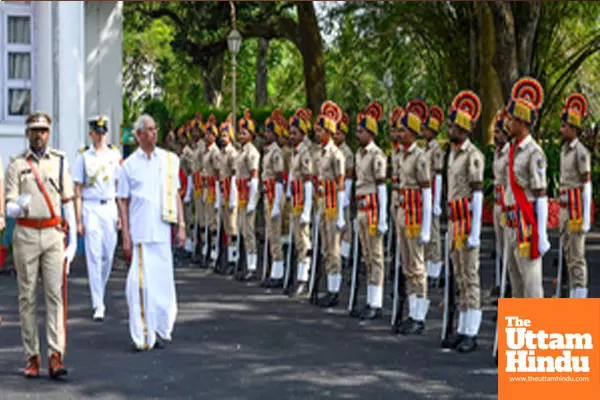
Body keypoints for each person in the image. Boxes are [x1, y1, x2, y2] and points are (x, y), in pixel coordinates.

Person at [4, 111, 77, 378]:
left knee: (54, 295)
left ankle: (55, 355)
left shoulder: (59, 162)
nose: (39, 135)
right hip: (25, 233)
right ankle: (32, 356)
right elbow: (9, 204)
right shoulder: (16, 164)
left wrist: (73, 242)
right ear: (27, 133)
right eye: (34, 130)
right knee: (27, 298)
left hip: (52, 233)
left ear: (49, 133)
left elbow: (67, 200)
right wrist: (17, 205)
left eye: (43, 130)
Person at [117, 114, 185, 351]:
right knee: (139, 285)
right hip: (141, 231)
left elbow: (175, 193)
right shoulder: (128, 166)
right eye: (148, 130)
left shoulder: (168, 160)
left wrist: (182, 225)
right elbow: (123, 201)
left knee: (162, 285)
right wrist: (125, 233)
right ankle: (143, 335)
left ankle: (159, 329)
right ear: (138, 135)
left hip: (162, 229)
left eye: (155, 129)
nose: (153, 133)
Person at [443, 91, 485, 352]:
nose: (448, 129)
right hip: (455, 223)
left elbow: (478, 194)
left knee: (470, 277)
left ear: (463, 128)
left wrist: (476, 232)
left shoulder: (473, 156)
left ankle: (472, 330)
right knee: (459, 276)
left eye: (452, 126)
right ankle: (462, 327)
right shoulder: (453, 153)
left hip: (468, 222)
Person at [503, 77, 549, 298]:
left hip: (527, 226)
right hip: (511, 224)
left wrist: (541, 235)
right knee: (516, 284)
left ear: (521, 122)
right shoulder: (511, 150)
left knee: (531, 287)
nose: (507, 123)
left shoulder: (534, 153)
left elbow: (540, 195)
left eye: (511, 119)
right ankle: (519, 332)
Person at [73, 115, 122, 322]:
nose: (100, 137)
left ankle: (99, 292)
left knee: (108, 255)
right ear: (91, 134)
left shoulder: (114, 155)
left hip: (109, 205)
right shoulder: (83, 157)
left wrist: (121, 214)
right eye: (97, 133)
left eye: (103, 133)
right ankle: (98, 303)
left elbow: (120, 186)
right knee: (93, 255)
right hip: (91, 206)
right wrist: (78, 220)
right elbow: (77, 189)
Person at [395, 100, 432, 334]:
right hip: (403, 212)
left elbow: (426, 191)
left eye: (403, 130)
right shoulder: (401, 154)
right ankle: (411, 311)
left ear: (413, 132)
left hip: (416, 214)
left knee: (417, 265)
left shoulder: (420, 157)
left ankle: (420, 315)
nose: (399, 134)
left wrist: (426, 227)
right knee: (407, 264)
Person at [352, 101, 387, 321]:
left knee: (376, 257)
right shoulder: (359, 154)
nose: (358, 134)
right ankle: (370, 298)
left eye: (361, 131)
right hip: (362, 208)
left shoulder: (377, 155)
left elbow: (382, 187)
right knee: (366, 256)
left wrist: (382, 218)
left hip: (374, 209)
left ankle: (377, 301)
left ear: (371, 133)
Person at [559, 93, 592, 298]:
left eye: (564, 126)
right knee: (568, 255)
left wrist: (586, 217)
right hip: (564, 207)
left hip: (576, 209)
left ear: (573, 128)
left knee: (577, 256)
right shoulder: (564, 149)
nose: (561, 130)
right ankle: (573, 293)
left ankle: (580, 298)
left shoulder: (581, 152)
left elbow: (586, 184)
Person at [314, 101, 346, 308]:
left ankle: (335, 291)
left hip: (334, 206)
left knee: (334, 250)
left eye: (320, 129)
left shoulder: (337, 155)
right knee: (326, 249)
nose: (316, 132)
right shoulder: (320, 153)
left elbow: (341, 184)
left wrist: (342, 215)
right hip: (323, 205)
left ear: (329, 131)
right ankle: (329, 286)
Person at [287, 109, 314, 296]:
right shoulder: (294, 152)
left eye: (294, 132)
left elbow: (308, 182)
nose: (290, 135)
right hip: (294, 200)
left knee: (303, 241)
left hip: (302, 201)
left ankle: (304, 279)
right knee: (297, 240)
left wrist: (307, 209)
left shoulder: (305, 153)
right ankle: (298, 276)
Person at [260, 110, 287, 288]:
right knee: (270, 234)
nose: (266, 134)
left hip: (273, 195)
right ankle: (274, 270)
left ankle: (278, 273)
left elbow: (279, 178)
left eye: (269, 132)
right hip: (267, 195)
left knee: (275, 236)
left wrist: (277, 202)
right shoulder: (269, 151)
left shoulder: (276, 152)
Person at [235, 109, 261, 281]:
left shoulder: (252, 152)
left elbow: (254, 176)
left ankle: (252, 267)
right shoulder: (242, 150)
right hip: (241, 193)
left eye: (244, 133)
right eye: (240, 132)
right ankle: (244, 264)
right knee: (243, 229)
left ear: (251, 135)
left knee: (249, 231)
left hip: (248, 192)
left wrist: (252, 200)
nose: (241, 135)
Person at [422, 106, 445, 285]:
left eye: (426, 129)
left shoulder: (436, 149)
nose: (424, 131)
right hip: (424, 194)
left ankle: (435, 271)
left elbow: (438, 175)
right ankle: (428, 268)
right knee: (426, 233)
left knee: (434, 234)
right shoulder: (425, 148)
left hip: (432, 193)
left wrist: (436, 201)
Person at [492, 110, 511, 298]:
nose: (495, 135)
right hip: (497, 202)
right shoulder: (497, 154)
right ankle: (500, 282)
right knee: (499, 245)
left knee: (508, 247)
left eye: (498, 132)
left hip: (507, 203)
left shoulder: (509, 154)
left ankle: (507, 287)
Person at [218, 116, 239, 274]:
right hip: (223, 191)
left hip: (231, 191)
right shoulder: (221, 153)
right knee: (226, 226)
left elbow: (234, 175)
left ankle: (234, 260)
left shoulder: (232, 154)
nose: (222, 138)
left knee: (232, 228)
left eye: (225, 135)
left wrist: (232, 196)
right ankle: (227, 259)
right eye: (221, 135)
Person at [201, 115, 222, 269]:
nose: (206, 136)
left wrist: (217, 195)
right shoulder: (205, 150)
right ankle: (207, 251)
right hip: (205, 187)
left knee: (214, 222)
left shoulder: (215, 152)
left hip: (213, 188)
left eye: (209, 134)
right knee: (208, 220)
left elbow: (217, 173)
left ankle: (215, 253)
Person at [334, 112, 355, 267]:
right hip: (333, 191)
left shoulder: (347, 152)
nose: (335, 136)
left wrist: (346, 194)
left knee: (345, 223)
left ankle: (345, 252)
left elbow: (349, 174)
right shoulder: (332, 150)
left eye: (339, 133)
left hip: (343, 189)